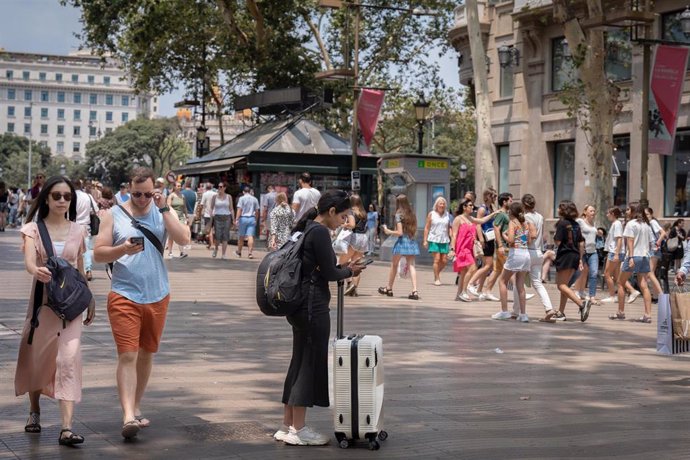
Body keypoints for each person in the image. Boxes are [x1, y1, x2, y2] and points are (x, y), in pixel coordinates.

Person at [93, 166, 190, 439]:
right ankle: (127, 416)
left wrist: (164, 209)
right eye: (137, 194)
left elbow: (183, 239)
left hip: (158, 294)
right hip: (124, 294)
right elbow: (98, 254)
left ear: (154, 191)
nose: (142, 199)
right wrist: (122, 249)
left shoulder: (161, 212)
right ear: (129, 188)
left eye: (148, 194)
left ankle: (135, 406)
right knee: (127, 354)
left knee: (147, 352)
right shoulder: (114, 214)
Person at [274, 190, 366, 446]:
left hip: (299, 305)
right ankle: (299, 429)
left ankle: (287, 424)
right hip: (313, 306)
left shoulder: (307, 228)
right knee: (307, 365)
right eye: (343, 215)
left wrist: (343, 269)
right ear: (333, 211)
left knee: (298, 361)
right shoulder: (320, 232)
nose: (344, 221)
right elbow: (329, 272)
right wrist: (350, 269)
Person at [15, 175, 95, 446]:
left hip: (70, 305)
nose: (62, 201)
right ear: (46, 198)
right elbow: (29, 262)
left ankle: (66, 428)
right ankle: (34, 410)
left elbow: (80, 268)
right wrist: (35, 269)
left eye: (67, 197)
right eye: (57, 196)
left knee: (68, 359)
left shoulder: (78, 230)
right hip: (43, 303)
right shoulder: (32, 230)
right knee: (38, 357)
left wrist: (90, 300)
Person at [609, 203, 653, 323]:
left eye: (628, 209)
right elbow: (650, 242)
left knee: (620, 282)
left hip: (634, 256)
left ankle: (620, 312)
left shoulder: (631, 224)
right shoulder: (646, 225)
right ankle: (648, 314)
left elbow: (630, 241)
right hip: (645, 257)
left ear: (634, 211)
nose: (626, 211)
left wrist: (631, 257)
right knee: (643, 285)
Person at [548, 200, 591, 322]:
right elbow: (581, 242)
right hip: (575, 255)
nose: (557, 210)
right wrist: (581, 259)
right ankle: (561, 312)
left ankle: (582, 304)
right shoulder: (576, 224)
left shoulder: (562, 223)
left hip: (565, 255)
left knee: (561, 285)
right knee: (565, 285)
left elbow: (557, 241)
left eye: (559, 208)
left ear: (564, 210)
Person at [493, 202, 534, 322]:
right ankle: (523, 314)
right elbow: (529, 240)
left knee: (502, 281)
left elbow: (510, 240)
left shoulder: (512, 223)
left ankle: (504, 311)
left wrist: (503, 236)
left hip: (515, 254)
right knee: (520, 285)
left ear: (511, 212)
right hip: (526, 254)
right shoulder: (525, 224)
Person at [517, 194, 555, 320]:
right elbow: (541, 234)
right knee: (538, 283)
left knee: (519, 282)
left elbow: (529, 236)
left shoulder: (525, 217)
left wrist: (517, 239)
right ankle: (549, 308)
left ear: (523, 205)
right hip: (538, 251)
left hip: (527, 251)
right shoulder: (540, 216)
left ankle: (516, 311)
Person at [451, 198, 496, 301]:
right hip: (462, 248)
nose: (472, 207)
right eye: (470, 205)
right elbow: (454, 235)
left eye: (472, 205)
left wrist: (494, 213)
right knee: (473, 267)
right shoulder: (458, 219)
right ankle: (464, 291)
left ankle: (459, 294)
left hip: (470, 248)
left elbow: (482, 220)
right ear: (464, 207)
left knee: (463, 272)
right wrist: (452, 249)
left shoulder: (470, 218)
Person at [378, 194, 420, 300]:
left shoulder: (398, 214)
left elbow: (400, 232)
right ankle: (415, 291)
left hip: (402, 242)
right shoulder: (412, 214)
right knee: (411, 266)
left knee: (394, 265)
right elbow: (414, 229)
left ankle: (389, 288)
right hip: (411, 241)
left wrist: (388, 231)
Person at [600, 207, 640, 304]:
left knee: (607, 274)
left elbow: (619, 239)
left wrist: (616, 254)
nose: (607, 215)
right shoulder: (616, 224)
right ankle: (632, 291)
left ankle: (613, 296)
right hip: (616, 252)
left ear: (613, 213)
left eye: (608, 213)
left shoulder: (617, 224)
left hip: (615, 252)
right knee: (617, 276)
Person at [467, 188, 498, 300]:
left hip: (490, 238)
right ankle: (471, 283)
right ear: (488, 196)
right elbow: (478, 224)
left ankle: (480, 290)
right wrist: (481, 239)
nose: (495, 198)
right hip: (485, 238)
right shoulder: (482, 208)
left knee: (487, 266)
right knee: (488, 265)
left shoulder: (491, 208)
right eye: (494, 196)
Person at [340, 195, 369, 297]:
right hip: (364, 238)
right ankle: (354, 288)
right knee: (356, 264)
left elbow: (352, 225)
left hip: (354, 237)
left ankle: (349, 284)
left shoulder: (351, 212)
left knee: (342, 262)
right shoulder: (363, 213)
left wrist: (344, 225)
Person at [423, 197, 453, 286]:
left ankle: (436, 273)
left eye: (443, 204)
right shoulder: (431, 214)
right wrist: (425, 240)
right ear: (436, 205)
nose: (442, 205)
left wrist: (451, 238)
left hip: (444, 240)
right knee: (437, 259)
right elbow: (427, 227)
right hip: (433, 239)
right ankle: (437, 278)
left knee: (444, 261)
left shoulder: (447, 215)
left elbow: (449, 228)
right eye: (440, 203)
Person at [573, 205, 600, 303]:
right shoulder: (580, 221)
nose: (593, 212)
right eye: (591, 211)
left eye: (594, 211)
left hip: (593, 251)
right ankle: (576, 291)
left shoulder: (594, 223)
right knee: (579, 272)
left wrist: (599, 232)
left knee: (593, 273)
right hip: (582, 251)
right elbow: (574, 233)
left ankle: (592, 296)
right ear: (585, 212)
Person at [74, 180, 99, 282]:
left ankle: (75, 271)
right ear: (80, 186)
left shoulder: (70, 197)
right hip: (85, 226)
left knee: (73, 250)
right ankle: (88, 270)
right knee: (86, 249)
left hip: (73, 226)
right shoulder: (88, 196)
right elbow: (96, 210)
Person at [645, 207, 666, 298]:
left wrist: (657, 243)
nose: (646, 216)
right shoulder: (648, 223)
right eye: (644, 215)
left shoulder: (653, 222)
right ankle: (656, 296)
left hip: (654, 249)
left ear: (651, 214)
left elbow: (663, 233)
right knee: (649, 274)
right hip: (650, 250)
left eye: (647, 214)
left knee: (650, 273)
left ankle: (661, 295)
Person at [210, 182, 234, 259]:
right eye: (218, 186)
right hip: (217, 217)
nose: (219, 188)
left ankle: (223, 254)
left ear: (224, 188)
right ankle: (216, 249)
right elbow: (211, 207)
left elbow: (231, 208)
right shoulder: (214, 196)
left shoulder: (229, 197)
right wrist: (211, 216)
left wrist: (233, 219)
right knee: (217, 236)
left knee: (225, 236)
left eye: (221, 187)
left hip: (227, 217)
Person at [235, 186, 260, 258]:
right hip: (252, 218)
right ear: (250, 191)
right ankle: (250, 253)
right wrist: (256, 219)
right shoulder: (255, 199)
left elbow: (239, 209)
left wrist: (237, 219)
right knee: (250, 236)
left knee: (241, 236)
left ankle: (239, 252)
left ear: (243, 192)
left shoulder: (241, 198)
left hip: (243, 218)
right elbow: (257, 211)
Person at [166, 182, 189, 259]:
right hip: (173, 216)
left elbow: (184, 207)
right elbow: (168, 207)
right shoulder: (171, 196)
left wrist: (187, 216)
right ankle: (170, 252)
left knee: (182, 233)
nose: (179, 187)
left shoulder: (182, 196)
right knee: (172, 235)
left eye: (180, 186)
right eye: (178, 186)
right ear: (174, 187)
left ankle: (182, 252)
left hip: (181, 217)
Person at [200, 182, 216, 249]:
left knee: (210, 230)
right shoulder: (216, 194)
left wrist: (200, 212)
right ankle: (211, 244)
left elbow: (202, 204)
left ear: (206, 187)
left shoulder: (205, 194)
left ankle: (212, 244)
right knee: (213, 229)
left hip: (207, 214)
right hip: (215, 214)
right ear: (211, 187)